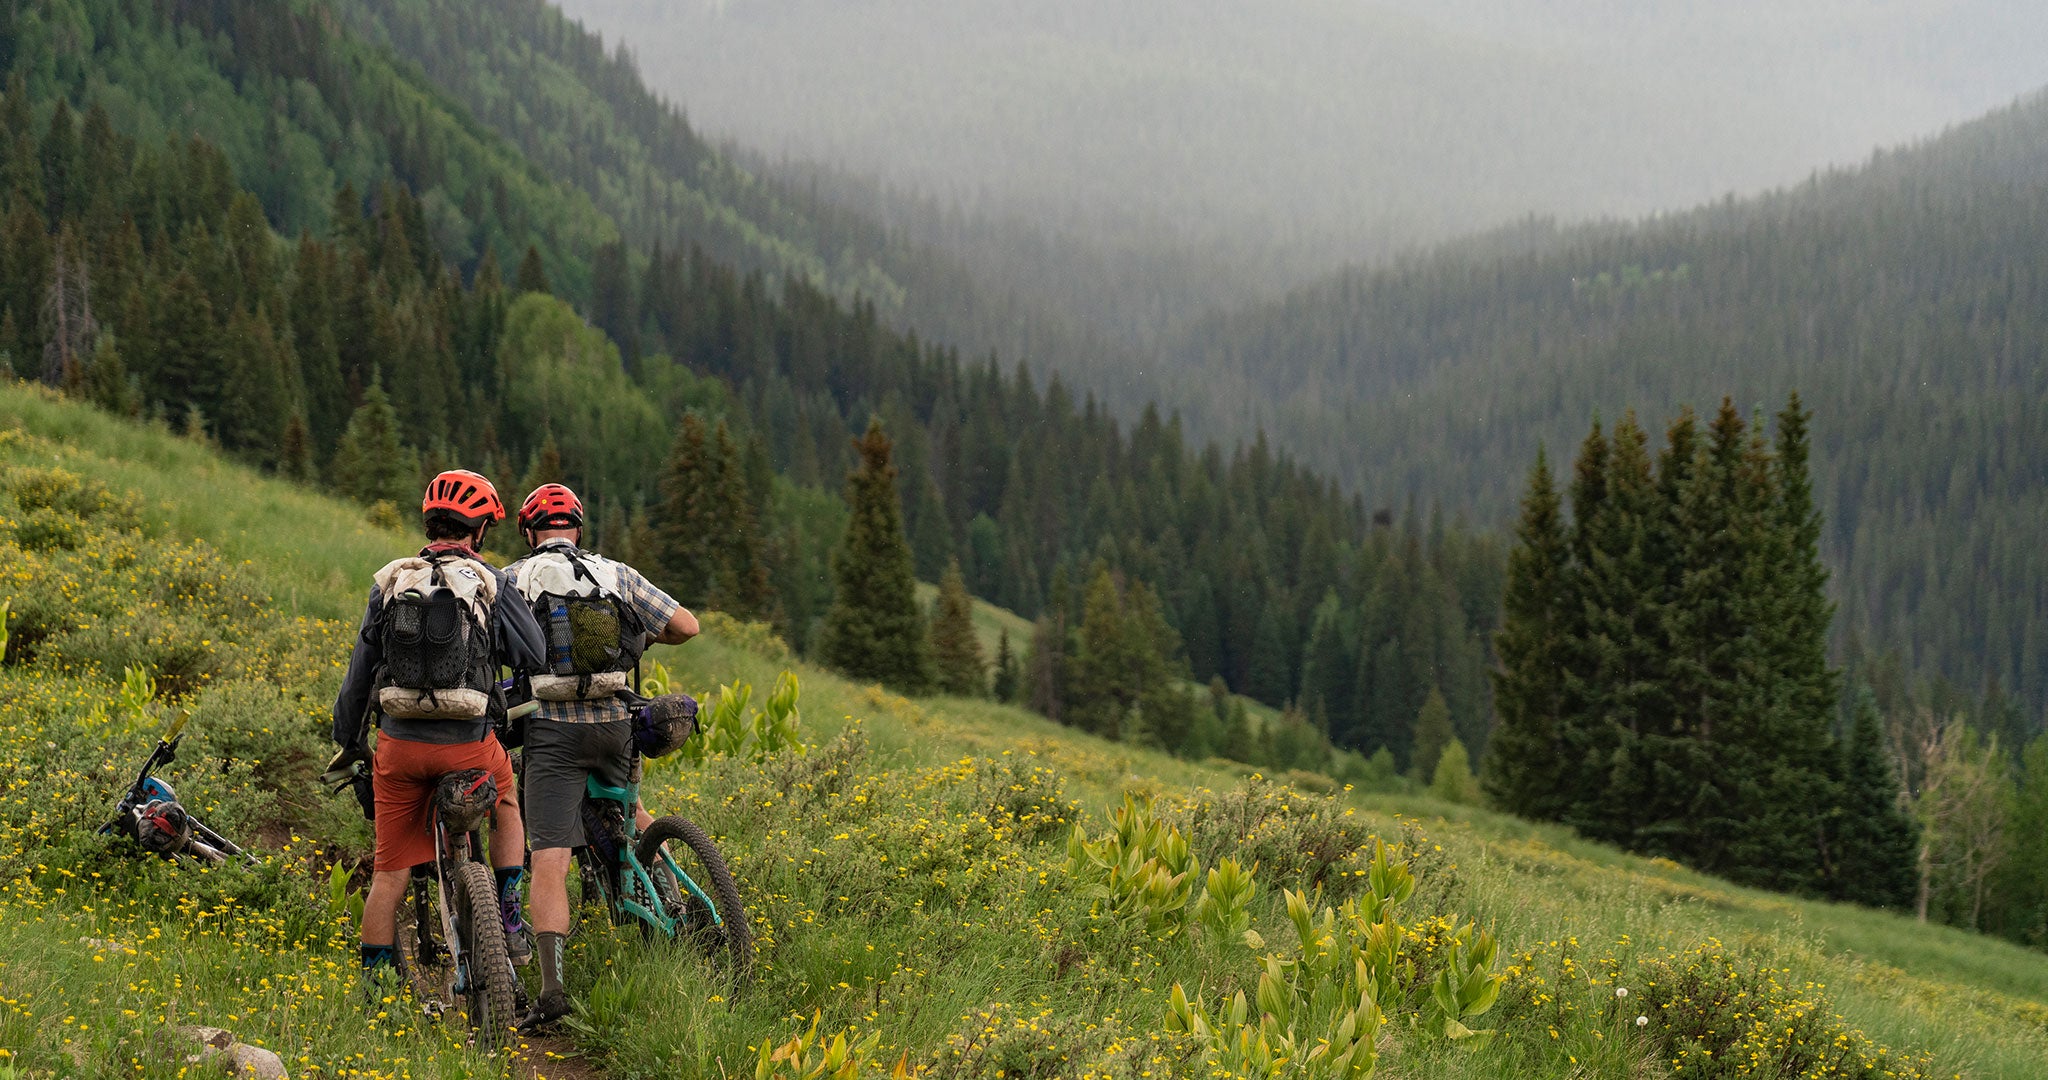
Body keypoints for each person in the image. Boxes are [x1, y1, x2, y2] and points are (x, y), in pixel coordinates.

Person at [330, 470, 547, 981]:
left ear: (430, 524)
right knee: (508, 798)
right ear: (479, 532)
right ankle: (510, 913)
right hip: (468, 746)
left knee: (389, 875)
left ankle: (377, 989)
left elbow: (359, 676)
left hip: (400, 746)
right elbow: (533, 653)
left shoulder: (391, 580)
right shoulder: (492, 581)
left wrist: (348, 739)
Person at [505, 482, 698, 1030]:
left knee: (549, 857)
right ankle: (674, 901)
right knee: (634, 819)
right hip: (618, 724)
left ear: (530, 531)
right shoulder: (615, 574)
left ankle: (551, 990)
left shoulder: (515, 578)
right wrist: (636, 643)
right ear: (578, 529)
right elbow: (687, 625)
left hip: (552, 731)